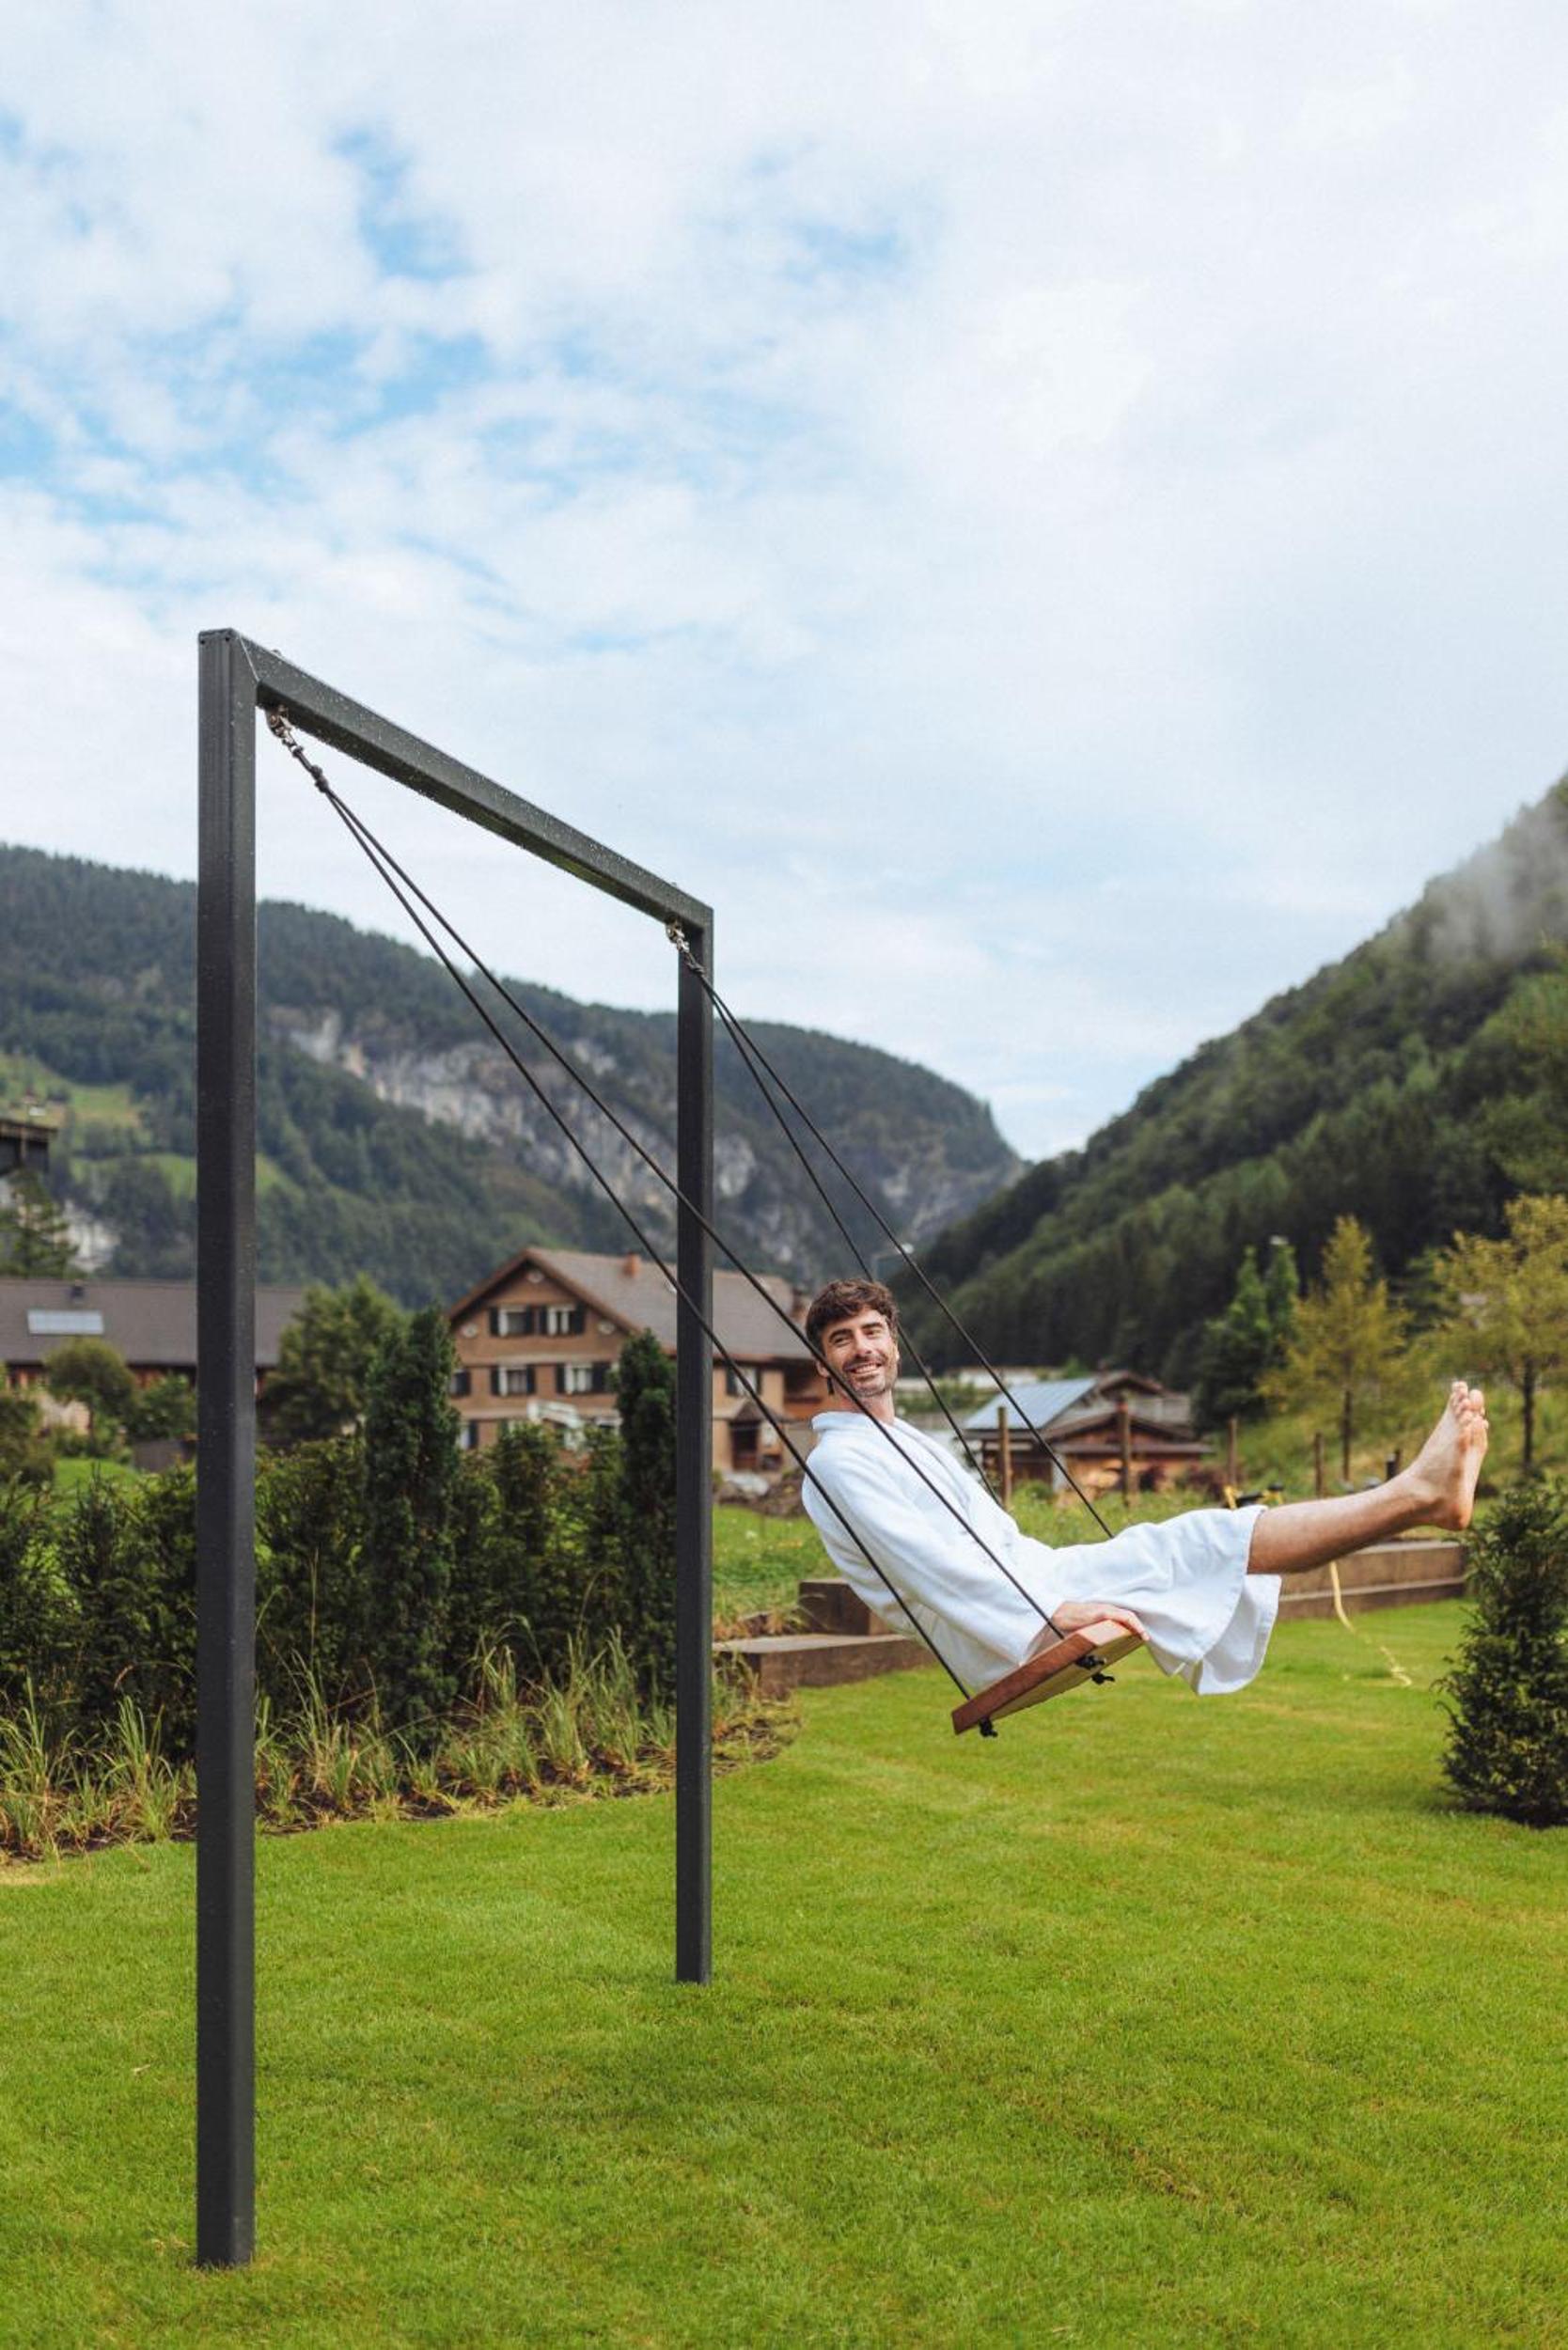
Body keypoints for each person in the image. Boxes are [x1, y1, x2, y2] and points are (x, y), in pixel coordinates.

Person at [799, 1278, 1489, 1698]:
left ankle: (1420, 1497)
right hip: (1003, 1623)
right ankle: (1416, 1495)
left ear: (896, 1344)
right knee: (1204, 1540)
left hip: (1032, 1581)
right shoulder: (840, 1464)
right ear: (822, 1362)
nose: (862, 1349)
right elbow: (920, 1564)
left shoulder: (903, 1440)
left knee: (1201, 1538)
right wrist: (1049, 1611)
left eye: (873, 1331)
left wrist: (1046, 1591)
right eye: (841, 1340)